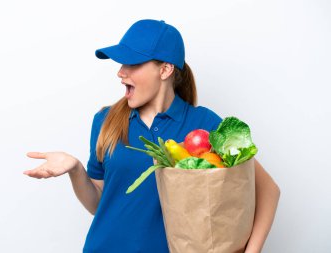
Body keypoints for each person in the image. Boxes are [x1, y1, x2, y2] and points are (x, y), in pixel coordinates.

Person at [23, 19, 280, 253]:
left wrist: (251, 250)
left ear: (165, 69)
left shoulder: (203, 124)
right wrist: (76, 170)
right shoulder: (106, 121)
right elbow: (99, 204)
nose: (120, 72)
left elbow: (268, 190)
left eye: (132, 63)